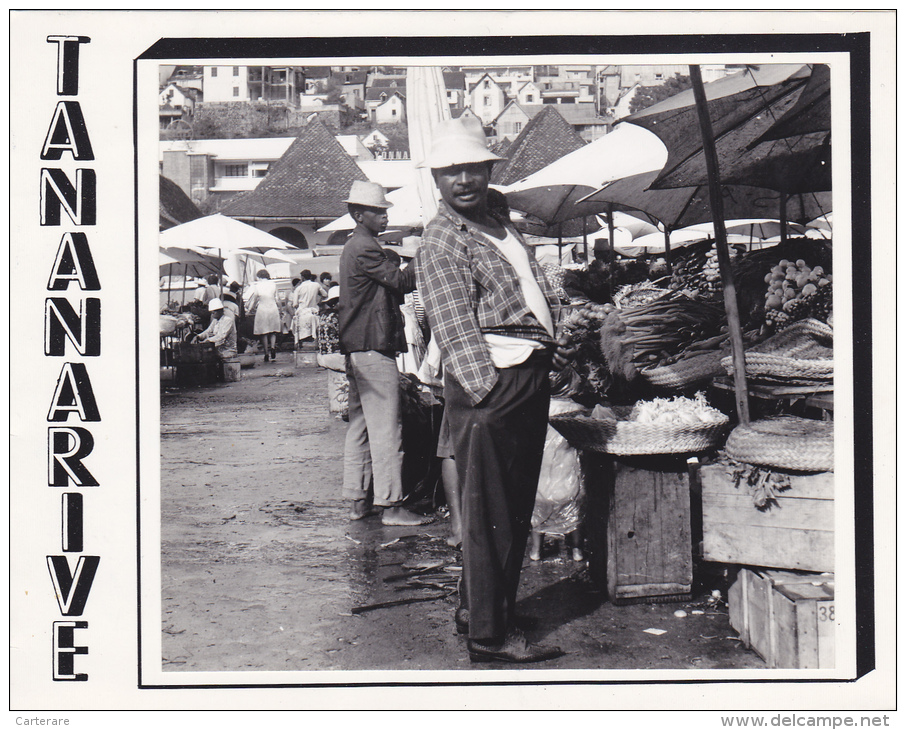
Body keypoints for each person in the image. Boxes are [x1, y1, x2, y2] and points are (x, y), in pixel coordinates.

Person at [416, 115, 574, 663]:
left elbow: (526, 292)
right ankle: (488, 637)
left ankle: (485, 608)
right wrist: (485, 396)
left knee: (511, 507)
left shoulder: (498, 223)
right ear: (436, 179)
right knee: (491, 515)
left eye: (473, 169)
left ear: (488, 171)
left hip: (524, 372)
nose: (464, 179)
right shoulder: (441, 239)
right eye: (451, 172)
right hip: (492, 382)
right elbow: (453, 323)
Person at [338, 180, 434, 528]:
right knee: (386, 429)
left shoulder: (357, 246)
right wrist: (425, 251)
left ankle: (357, 500)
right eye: (377, 212)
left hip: (358, 347)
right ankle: (392, 506)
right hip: (373, 346)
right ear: (357, 214)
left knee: (362, 428)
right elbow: (403, 282)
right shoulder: (365, 248)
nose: (383, 216)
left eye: (383, 211)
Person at [245, 269, 281, 362]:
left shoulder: (258, 285)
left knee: (264, 332)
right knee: (273, 331)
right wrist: (280, 309)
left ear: (259, 277)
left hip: (262, 309)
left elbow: (254, 299)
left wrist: (249, 309)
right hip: (273, 308)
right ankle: (272, 347)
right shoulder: (273, 284)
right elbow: (277, 298)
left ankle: (266, 353)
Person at [194, 297, 237, 362]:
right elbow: (208, 331)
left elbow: (221, 336)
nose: (213, 313)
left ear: (221, 311)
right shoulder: (215, 321)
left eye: (215, 311)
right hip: (218, 349)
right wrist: (198, 336)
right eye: (212, 312)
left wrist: (208, 340)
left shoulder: (228, 321)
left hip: (228, 351)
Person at [291, 270, 324, 346]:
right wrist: (318, 300)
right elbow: (325, 294)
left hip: (302, 312)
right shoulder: (316, 285)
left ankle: (300, 345)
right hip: (314, 311)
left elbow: (295, 304)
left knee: (299, 330)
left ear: (302, 278)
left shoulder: (298, 288)